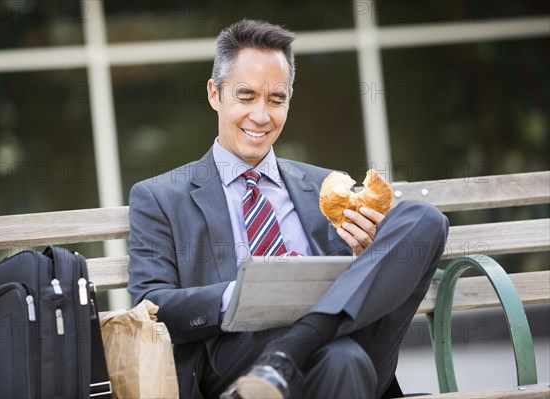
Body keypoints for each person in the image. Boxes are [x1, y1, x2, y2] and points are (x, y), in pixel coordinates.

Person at [128, 19, 449, 399]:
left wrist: (369, 257)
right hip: (239, 363)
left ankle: (286, 355)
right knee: (340, 360)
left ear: (289, 100)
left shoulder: (328, 186)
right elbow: (151, 307)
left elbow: (366, 284)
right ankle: (283, 355)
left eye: (276, 99)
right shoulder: (161, 197)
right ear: (215, 94)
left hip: (361, 343)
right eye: (246, 96)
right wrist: (244, 294)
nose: (262, 116)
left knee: (425, 218)